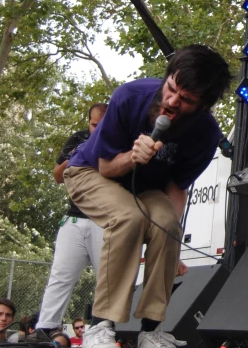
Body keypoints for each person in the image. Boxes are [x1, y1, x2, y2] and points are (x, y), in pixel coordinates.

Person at [64, 44, 232, 348]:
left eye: (186, 100)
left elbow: (175, 190)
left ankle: (152, 330)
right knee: (127, 216)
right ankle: (100, 326)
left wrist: (171, 240)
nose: (171, 101)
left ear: (203, 106)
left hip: (145, 189)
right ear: (167, 77)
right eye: (170, 88)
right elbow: (105, 167)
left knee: (167, 224)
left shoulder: (206, 134)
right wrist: (132, 157)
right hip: (91, 172)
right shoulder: (129, 97)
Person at [37, 104, 108, 332]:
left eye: (102, 125)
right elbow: (57, 176)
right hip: (75, 218)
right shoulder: (78, 138)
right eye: (93, 124)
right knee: (60, 276)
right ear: (88, 121)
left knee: (108, 280)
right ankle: (45, 328)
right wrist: (78, 154)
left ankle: (103, 329)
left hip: (105, 219)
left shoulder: (120, 139)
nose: (97, 129)